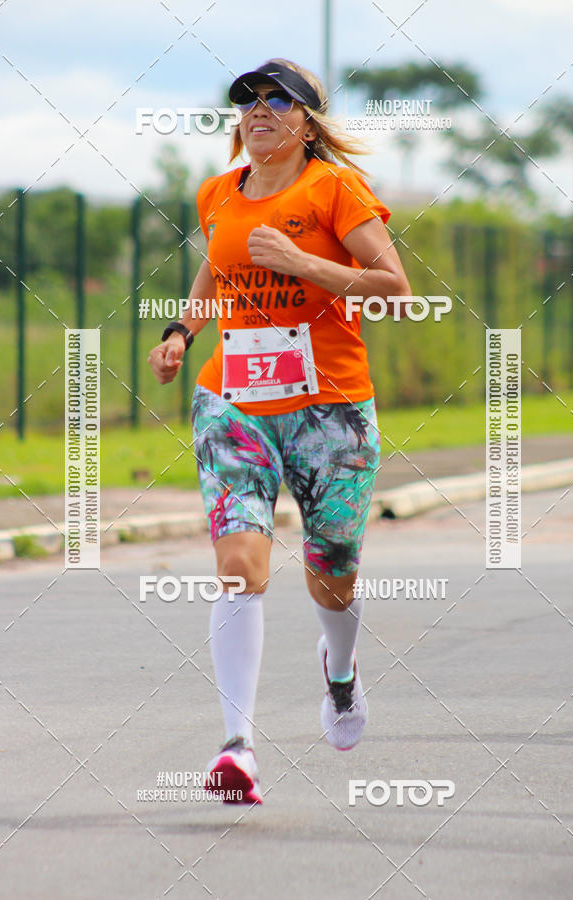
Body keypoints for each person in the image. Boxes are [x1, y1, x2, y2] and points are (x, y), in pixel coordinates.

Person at [148, 58, 412, 806]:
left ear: (307, 121)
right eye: (247, 100)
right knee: (239, 564)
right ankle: (238, 746)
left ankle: (340, 674)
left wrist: (303, 262)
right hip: (234, 404)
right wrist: (181, 331)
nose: (258, 110)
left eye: (277, 100)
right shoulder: (218, 192)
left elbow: (396, 289)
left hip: (331, 407)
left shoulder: (334, 189)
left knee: (332, 572)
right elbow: (215, 271)